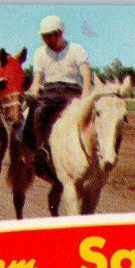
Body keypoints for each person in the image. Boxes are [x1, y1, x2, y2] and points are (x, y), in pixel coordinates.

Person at [23, 14, 93, 159]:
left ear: (60, 33)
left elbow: (86, 75)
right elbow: (37, 79)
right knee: (36, 110)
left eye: (49, 36)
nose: (46, 40)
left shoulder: (76, 49)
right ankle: (38, 149)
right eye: (43, 36)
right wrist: (34, 90)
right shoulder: (39, 53)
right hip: (50, 91)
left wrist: (86, 95)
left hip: (73, 90)